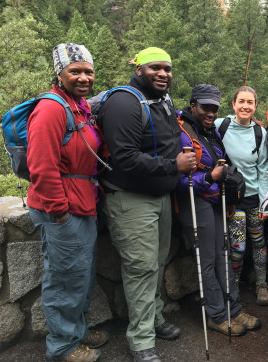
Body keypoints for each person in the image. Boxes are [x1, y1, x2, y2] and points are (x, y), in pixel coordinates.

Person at [97, 47, 196, 362]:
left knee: (154, 263)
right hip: (130, 198)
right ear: (137, 68)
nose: (164, 73)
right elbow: (124, 158)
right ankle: (140, 341)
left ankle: (153, 318)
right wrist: (174, 167)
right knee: (140, 268)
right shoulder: (124, 103)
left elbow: (168, 140)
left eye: (167, 68)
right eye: (156, 67)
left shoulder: (163, 100)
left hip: (160, 196)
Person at [27, 43, 108, 362]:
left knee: (81, 275)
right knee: (64, 278)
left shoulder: (79, 106)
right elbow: (41, 167)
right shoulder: (50, 109)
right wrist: (59, 212)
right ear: (59, 74)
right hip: (62, 208)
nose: (84, 76)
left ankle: (76, 331)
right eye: (75, 71)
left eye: (88, 71)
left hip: (82, 203)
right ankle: (62, 346)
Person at [177, 84, 260, 337]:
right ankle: (217, 315)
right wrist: (211, 178)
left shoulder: (210, 132)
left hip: (216, 200)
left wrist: (230, 197)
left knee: (222, 255)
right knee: (209, 258)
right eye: (205, 107)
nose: (210, 112)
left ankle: (233, 309)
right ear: (193, 106)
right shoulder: (181, 132)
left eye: (214, 108)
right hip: (196, 200)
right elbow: (179, 179)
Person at [215, 87, 268, 305]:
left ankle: (261, 285)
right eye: (241, 101)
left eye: (250, 102)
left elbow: (263, 168)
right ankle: (234, 285)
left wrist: (265, 203)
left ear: (255, 105)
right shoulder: (221, 126)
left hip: (254, 197)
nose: (245, 106)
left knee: (259, 242)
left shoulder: (259, 133)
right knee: (238, 247)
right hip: (232, 198)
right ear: (233, 104)